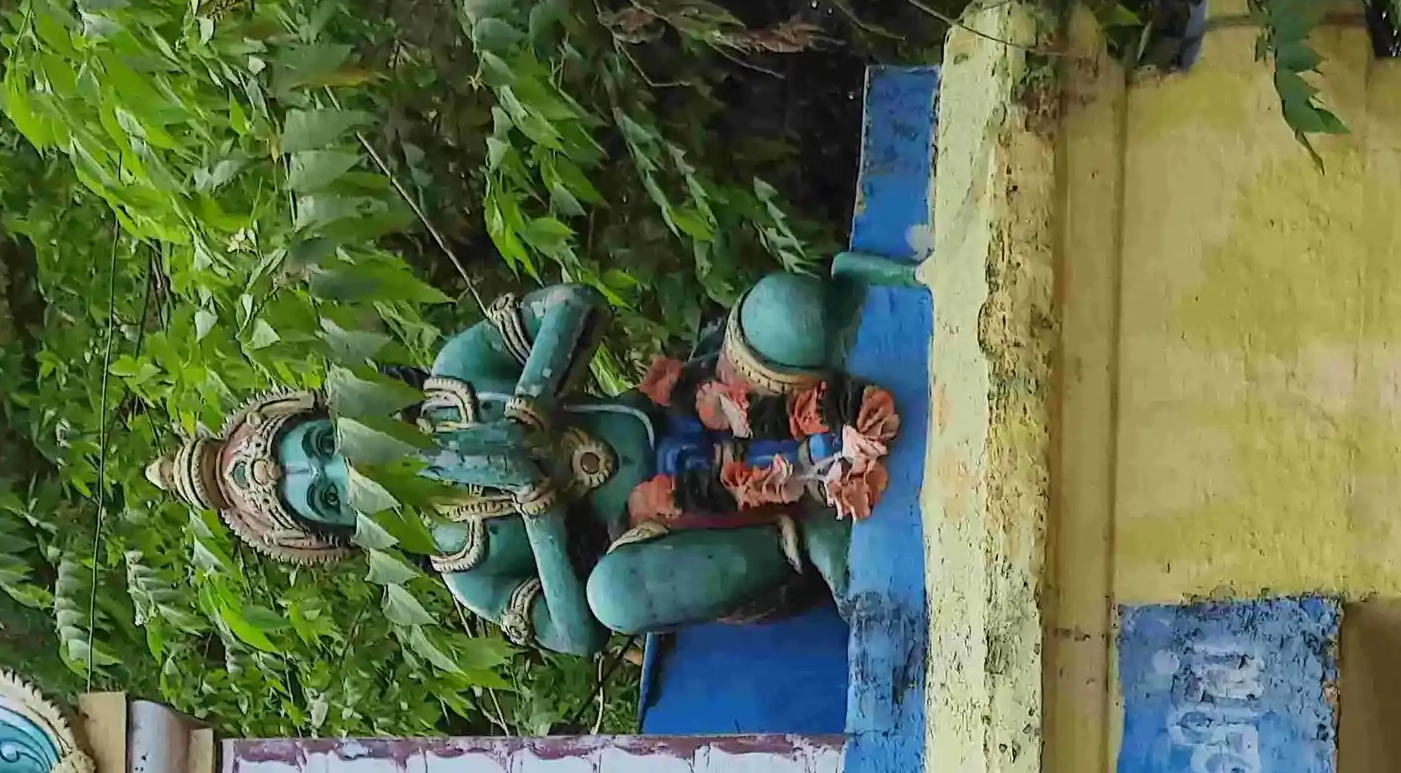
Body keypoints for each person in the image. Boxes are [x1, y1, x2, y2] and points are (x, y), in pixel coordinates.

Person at [149, 255, 910, 653]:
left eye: (320, 447)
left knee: (788, 309)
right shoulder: (463, 564)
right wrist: (540, 511)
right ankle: (806, 535)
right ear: (342, 533)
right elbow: (574, 635)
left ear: (343, 416)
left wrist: (528, 405)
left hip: (699, 405)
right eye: (321, 496)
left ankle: (869, 355)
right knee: (612, 601)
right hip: (694, 535)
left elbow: (575, 303)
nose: (339, 472)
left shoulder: (456, 380)